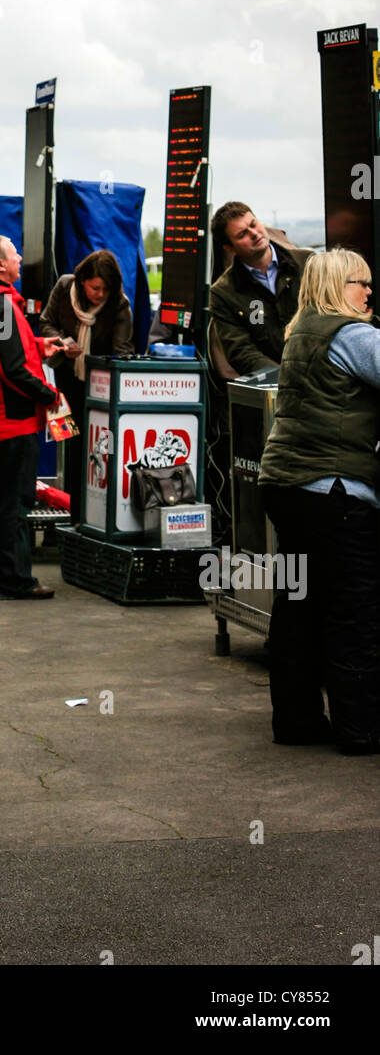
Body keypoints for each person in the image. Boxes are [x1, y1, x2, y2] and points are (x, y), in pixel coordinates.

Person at [258, 249, 380, 754]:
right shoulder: (352, 336)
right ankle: (360, 729)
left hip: (286, 487)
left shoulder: (300, 331)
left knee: (299, 608)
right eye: (363, 282)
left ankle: (297, 720)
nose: (370, 291)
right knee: (353, 611)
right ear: (338, 286)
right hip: (335, 493)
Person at [0, 235, 65, 600]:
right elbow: (14, 369)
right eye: (14, 253)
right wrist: (50, 396)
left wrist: (37, 344)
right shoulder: (2, 306)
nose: (21, 257)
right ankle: (15, 580)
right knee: (14, 503)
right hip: (10, 420)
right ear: (0, 266)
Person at [40, 249, 134, 523]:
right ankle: (68, 513)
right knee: (68, 446)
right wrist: (62, 342)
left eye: (106, 289)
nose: (101, 294)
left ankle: (89, 518)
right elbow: (46, 323)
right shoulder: (64, 286)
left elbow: (123, 351)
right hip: (63, 384)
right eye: (95, 288)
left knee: (94, 452)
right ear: (82, 281)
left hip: (100, 390)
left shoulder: (119, 304)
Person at [209, 203, 310, 375]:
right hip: (275, 388)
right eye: (242, 234)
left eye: (253, 224)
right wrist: (286, 380)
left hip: (322, 377)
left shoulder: (308, 264)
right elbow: (242, 352)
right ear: (230, 249)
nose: (254, 234)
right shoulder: (223, 293)